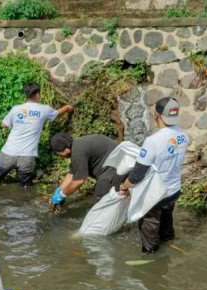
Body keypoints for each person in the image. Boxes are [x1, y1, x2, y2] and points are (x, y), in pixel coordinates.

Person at [118, 97, 189, 253]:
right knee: (166, 218)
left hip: (156, 194)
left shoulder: (153, 141)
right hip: (173, 189)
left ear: (157, 114)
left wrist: (124, 187)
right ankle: (169, 242)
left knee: (148, 222)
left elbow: (137, 174)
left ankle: (151, 255)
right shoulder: (183, 135)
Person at [0, 83, 73, 188]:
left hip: (8, 153)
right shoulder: (44, 109)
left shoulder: (16, 109)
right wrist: (67, 108)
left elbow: (3, 125)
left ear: (26, 95)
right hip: (27, 157)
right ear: (38, 95)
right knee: (25, 185)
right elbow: (57, 114)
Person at [49, 133, 121, 206]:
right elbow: (72, 173)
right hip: (115, 164)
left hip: (115, 168)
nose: (59, 155)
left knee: (97, 206)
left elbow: (79, 180)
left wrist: (62, 194)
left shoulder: (78, 152)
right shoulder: (77, 145)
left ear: (65, 149)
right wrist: (60, 189)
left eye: (58, 152)